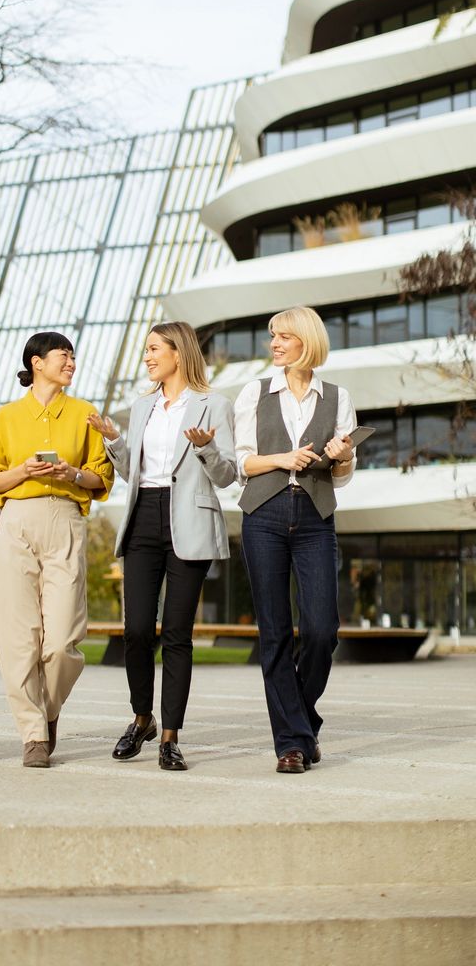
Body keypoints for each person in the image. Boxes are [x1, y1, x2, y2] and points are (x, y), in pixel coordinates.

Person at [88, 322, 236, 771]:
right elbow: (134, 472)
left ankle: (170, 736)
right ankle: (142, 718)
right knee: (136, 630)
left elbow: (227, 475)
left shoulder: (215, 404)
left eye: (155, 348)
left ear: (179, 352)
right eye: (147, 349)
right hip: (143, 517)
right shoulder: (142, 406)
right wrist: (115, 442)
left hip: (190, 519)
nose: (148, 357)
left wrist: (207, 449)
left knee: (176, 633)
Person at [0, 331, 114, 768]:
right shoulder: (7, 417)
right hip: (16, 521)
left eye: (73, 356)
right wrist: (22, 471)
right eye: (62, 356)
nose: (71, 363)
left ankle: (47, 710)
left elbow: (102, 477)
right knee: (18, 639)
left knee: (63, 641)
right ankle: (33, 734)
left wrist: (72, 474)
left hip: (66, 521)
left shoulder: (85, 414)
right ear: (36, 362)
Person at [234, 305, 356, 775]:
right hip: (263, 514)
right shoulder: (255, 392)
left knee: (323, 631)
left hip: (314, 516)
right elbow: (243, 463)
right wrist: (283, 458)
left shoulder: (337, 397)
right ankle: (291, 744)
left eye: (283, 336)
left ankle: (301, 725)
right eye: (273, 336)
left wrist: (342, 456)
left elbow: (341, 475)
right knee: (276, 633)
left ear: (307, 339)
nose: (275, 344)